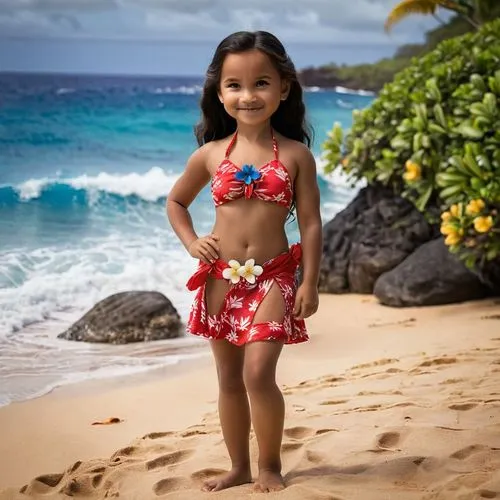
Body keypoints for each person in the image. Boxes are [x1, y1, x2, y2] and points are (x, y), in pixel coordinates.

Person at [166, 30, 322, 493]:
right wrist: (193, 242)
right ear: (219, 92)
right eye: (234, 84)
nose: (248, 95)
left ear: (283, 88)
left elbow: (311, 223)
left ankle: (270, 465)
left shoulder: (296, 156)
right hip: (220, 279)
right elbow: (176, 203)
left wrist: (309, 281)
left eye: (261, 83)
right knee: (229, 379)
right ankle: (239, 467)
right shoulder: (210, 155)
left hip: (273, 277)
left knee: (258, 373)